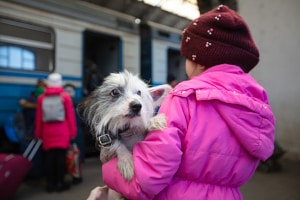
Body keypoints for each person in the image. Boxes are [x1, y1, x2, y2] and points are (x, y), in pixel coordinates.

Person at [88, 5, 275, 200]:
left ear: (199, 61)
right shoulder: (258, 106)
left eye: (186, 57)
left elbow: (146, 180)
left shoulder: (184, 99)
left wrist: (109, 168)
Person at [35, 73, 77, 192]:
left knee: (49, 159)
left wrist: (38, 133)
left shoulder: (41, 98)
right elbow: (70, 116)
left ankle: (50, 184)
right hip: (63, 131)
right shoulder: (65, 97)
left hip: (47, 132)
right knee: (60, 158)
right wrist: (73, 132)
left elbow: (38, 118)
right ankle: (60, 183)